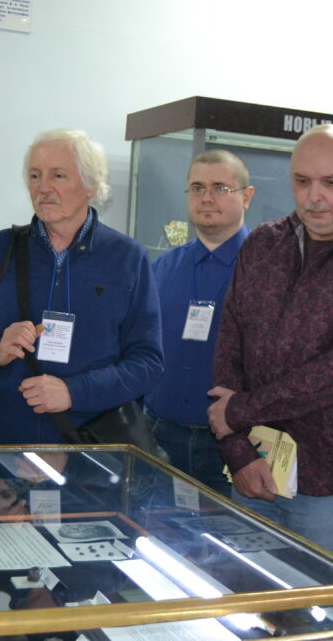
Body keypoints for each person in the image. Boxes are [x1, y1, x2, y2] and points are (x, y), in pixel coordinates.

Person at [207, 124, 333, 560]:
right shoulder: (263, 243)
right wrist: (237, 449)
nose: (314, 196)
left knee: (317, 596)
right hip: (249, 464)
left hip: (326, 481)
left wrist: (238, 412)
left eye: (331, 183)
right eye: (302, 181)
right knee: (244, 590)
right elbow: (229, 344)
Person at [0, 129, 164, 444]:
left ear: (92, 185)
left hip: (87, 446)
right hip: (1, 442)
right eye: (35, 176)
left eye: (58, 175)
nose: (43, 188)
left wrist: (74, 392)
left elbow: (147, 362)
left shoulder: (127, 257)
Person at [144, 150, 254, 494]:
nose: (206, 197)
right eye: (197, 188)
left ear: (247, 197)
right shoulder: (162, 268)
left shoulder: (266, 269)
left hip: (234, 446)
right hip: (160, 438)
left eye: (220, 188)